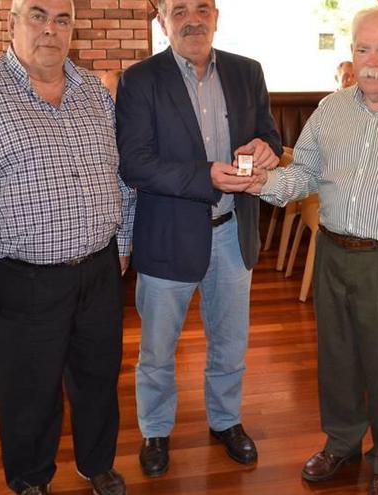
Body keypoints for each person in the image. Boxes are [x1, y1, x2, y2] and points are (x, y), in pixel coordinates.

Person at [0, 0, 134, 493]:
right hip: (21, 278)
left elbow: (119, 177)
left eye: (62, 19)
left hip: (99, 270)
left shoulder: (94, 95)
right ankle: (31, 479)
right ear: (12, 23)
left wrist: (120, 242)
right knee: (27, 392)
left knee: (99, 378)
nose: (50, 30)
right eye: (38, 15)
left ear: (72, 30)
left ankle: (96, 463)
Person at [249, 5, 378, 494]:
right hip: (331, 251)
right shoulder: (331, 109)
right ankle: (341, 442)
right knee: (336, 357)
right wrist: (261, 182)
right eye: (364, 48)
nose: (372, 60)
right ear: (351, 51)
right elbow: (303, 175)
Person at [115, 0, 281, 478]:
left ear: (216, 16)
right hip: (167, 237)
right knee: (157, 349)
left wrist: (264, 148)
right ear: (162, 19)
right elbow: (135, 163)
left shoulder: (248, 72)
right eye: (179, 9)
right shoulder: (140, 80)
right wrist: (205, 175)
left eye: (202, 7)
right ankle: (155, 430)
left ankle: (226, 421)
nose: (193, 18)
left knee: (230, 342)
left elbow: (266, 132)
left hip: (233, 234)